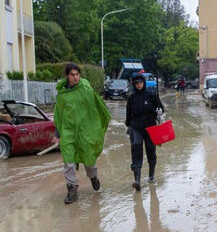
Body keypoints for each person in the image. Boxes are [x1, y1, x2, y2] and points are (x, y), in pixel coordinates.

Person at [53, 61, 111, 205]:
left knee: (89, 159)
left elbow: (97, 106)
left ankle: (93, 177)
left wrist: (98, 125)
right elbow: (59, 115)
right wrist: (58, 134)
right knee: (68, 161)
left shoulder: (86, 89)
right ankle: (72, 189)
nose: (75, 77)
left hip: (85, 131)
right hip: (68, 132)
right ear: (67, 76)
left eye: (77, 74)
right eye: (72, 75)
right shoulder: (62, 95)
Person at [125, 71, 164, 191]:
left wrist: (159, 111)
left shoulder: (151, 95)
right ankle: (137, 180)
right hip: (136, 129)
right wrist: (129, 127)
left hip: (150, 128)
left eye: (140, 82)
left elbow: (161, 108)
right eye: (136, 83)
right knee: (136, 152)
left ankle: (151, 176)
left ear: (144, 83)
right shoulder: (131, 97)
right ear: (134, 84)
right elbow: (128, 115)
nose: (139, 85)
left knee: (151, 152)